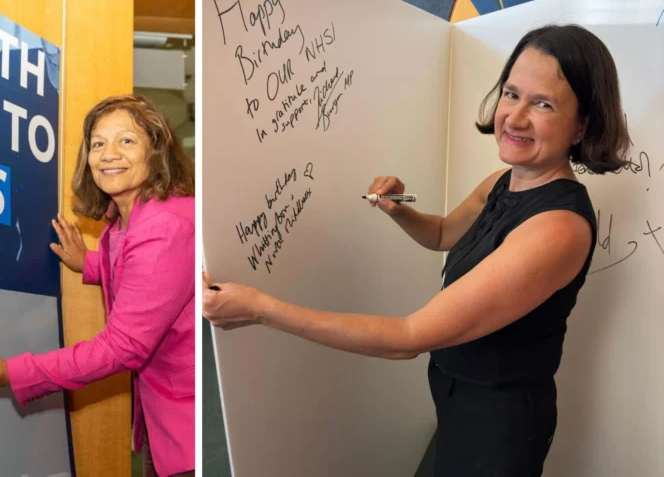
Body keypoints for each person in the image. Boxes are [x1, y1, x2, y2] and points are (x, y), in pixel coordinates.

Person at [202, 24, 632, 476]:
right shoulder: (505, 181)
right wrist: (398, 208)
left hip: (498, 423)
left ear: (582, 123)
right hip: (456, 395)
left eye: (542, 104)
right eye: (511, 94)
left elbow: (410, 337)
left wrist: (261, 309)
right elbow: (445, 232)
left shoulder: (557, 228)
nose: (515, 117)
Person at [0, 94, 196, 477]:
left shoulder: (163, 226)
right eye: (98, 143)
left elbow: (123, 346)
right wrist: (92, 262)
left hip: (186, 428)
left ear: (157, 152)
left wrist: (10, 373)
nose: (108, 154)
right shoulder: (131, 217)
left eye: (126, 141)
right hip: (165, 420)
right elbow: (155, 279)